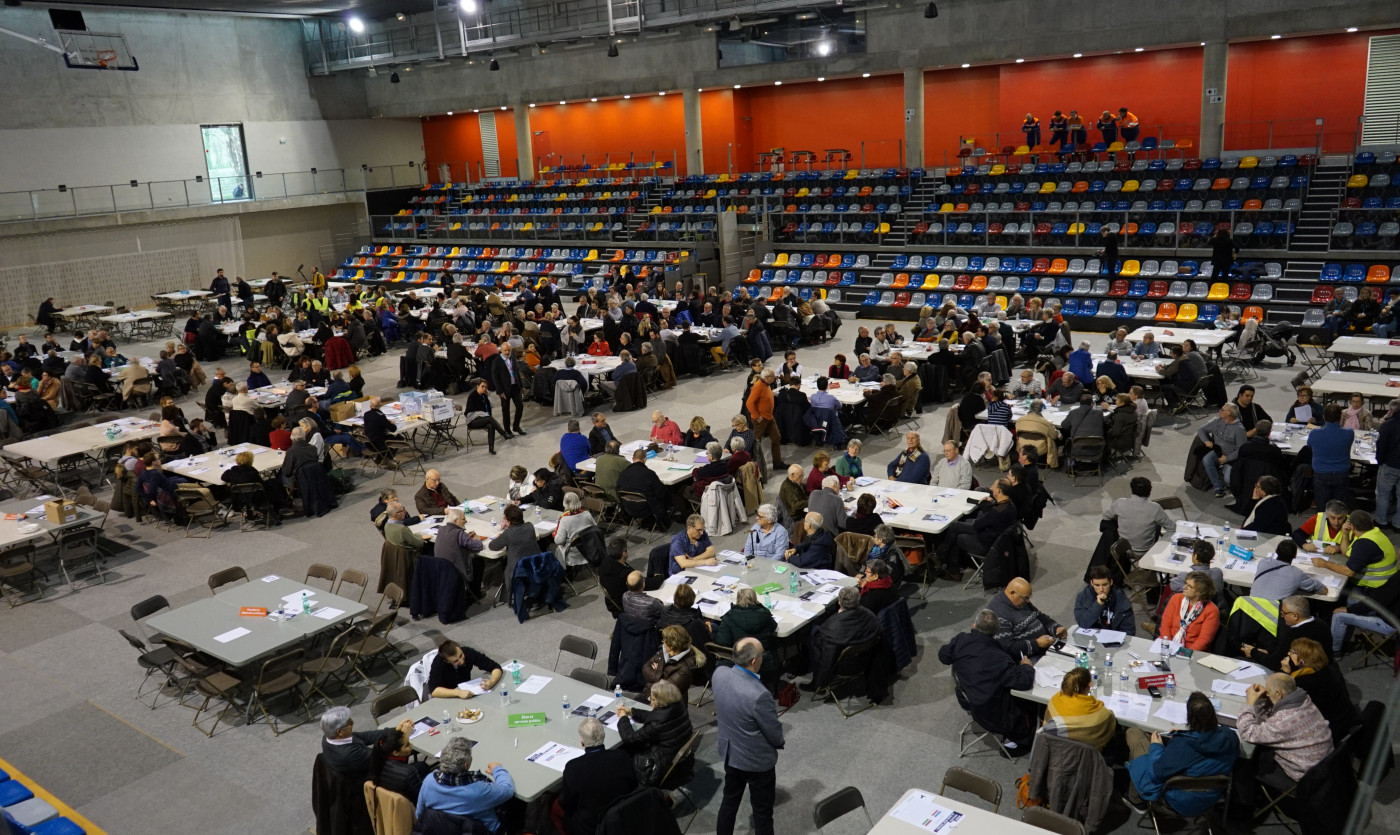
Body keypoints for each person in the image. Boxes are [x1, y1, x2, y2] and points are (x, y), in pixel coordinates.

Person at [1124, 692, 1239, 816]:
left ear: (1189, 718)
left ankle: (1136, 800)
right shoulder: (1230, 737)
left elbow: (1157, 772)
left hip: (1178, 799)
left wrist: (1156, 746)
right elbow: (1205, 740)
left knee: (1134, 734)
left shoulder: (1183, 745)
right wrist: (1185, 734)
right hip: (1210, 796)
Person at [713, 638, 785, 835]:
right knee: (762, 812)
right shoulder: (759, 694)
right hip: (757, 762)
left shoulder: (719, 674)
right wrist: (780, 742)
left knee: (729, 802)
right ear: (754, 661)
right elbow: (774, 733)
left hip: (730, 754)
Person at [938, 609, 1036, 753]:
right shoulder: (1000, 658)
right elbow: (1023, 682)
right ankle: (1016, 744)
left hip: (967, 697)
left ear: (974, 625)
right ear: (996, 631)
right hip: (992, 711)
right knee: (1029, 703)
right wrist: (1027, 667)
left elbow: (943, 656)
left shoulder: (961, 640)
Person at [1235, 673, 1334, 799]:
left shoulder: (1282, 721)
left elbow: (1247, 732)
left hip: (1308, 777)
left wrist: (1249, 703)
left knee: (1244, 761)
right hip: (1328, 764)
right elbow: (1270, 718)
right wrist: (1264, 699)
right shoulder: (1304, 700)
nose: (1267, 692)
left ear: (1278, 693)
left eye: (1268, 690)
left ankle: (1244, 803)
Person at [416, 737, 515, 832]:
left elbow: (419, 814)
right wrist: (497, 769)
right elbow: (507, 790)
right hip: (480, 830)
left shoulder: (429, 781)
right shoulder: (478, 789)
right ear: (466, 765)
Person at [615, 680, 692, 790]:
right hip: (677, 757)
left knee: (622, 750)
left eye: (652, 699)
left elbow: (630, 738)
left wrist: (623, 718)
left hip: (660, 765)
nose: (650, 701)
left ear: (660, 701)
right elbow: (654, 716)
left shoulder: (657, 724)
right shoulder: (678, 707)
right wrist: (632, 712)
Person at [1282, 637, 1360, 739]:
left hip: (1329, 730)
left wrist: (1285, 674)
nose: (1288, 654)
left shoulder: (1302, 682)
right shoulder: (1330, 668)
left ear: (1302, 661)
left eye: (1292, 652)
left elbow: (1284, 703)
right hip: (1345, 720)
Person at [1310, 509, 1398, 595]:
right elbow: (1346, 553)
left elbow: (1349, 571)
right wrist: (1345, 534)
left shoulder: (1364, 543)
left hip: (1374, 590)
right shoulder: (1372, 533)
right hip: (1389, 584)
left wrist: (1324, 564)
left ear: (1352, 526)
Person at [320, 706, 413, 781]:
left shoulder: (328, 737)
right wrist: (402, 736)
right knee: (419, 768)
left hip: (366, 768)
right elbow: (381, 759)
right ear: (339, 731)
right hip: (373, 779)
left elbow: (365, 736)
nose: (353, 724)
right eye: (350, 723)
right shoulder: (350, 753)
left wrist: (395, 730)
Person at [1043, 667, 1117, 751]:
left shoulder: (1054, 701)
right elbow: (1109, 724)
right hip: (1085, 759)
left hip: (1054, 753)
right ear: (1089, 685)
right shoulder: (1101, 714)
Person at [990, 577, 1066, 658]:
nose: (1028, 601)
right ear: (1012, 593)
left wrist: (1056, 628)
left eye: (1029, 597)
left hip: (1046, 644)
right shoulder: (997, 615)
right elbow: (1009, 649)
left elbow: (1040, 616)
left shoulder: (1021, 601)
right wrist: (1037, 644)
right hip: (1028, 657)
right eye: (1026, 598)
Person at [1103, 477, 1173, 556]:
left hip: (1123, 550)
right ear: (1149, 491)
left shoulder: (1120, 503)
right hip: (1146, 551)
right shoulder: (1155, 508)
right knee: (1157, 524)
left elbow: (1106, 517)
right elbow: (1172, 528)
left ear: (1132, 489)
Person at [641, 623, 706, 702]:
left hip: (669, 702)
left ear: (672, 645)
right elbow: (645, 668)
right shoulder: (664, 651)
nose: (663, 642)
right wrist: (661, 677)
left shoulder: (685, 667)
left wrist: (656, 671)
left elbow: (666, 688)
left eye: (665, 641)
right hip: (651, 694)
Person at [368, 728, 432, 805]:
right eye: (407, 745)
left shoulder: (378, 761)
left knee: (421, 766)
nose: (411, 745)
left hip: (389, 797)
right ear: (395, 753)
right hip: (410, 805)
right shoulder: (409, 772)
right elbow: (421, 798)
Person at [1159, 571, 1221, 651]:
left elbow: (1204, 640)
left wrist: (1185, 653)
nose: (1184, 587)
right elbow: (1165, 626)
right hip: (1168, 643)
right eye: (1186, 584)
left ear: (1200, 591)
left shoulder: (1211, 610)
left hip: (1192, 650)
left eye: (1190, 586)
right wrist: (1168, 646)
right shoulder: (1176, 599)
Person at [1308, 403, 1355, 510]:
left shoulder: (1315, 433)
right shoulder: (1349, 433)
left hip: (1321, 474)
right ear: (1341, 416)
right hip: (1341, 473)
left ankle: (1322, 524)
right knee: (1339, 507)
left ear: (1324, 417)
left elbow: (1310, 445)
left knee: (1321, 506)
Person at [1198, 403, 1247, 498]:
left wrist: (1227, 459)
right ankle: (1218, 487)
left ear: (1229, 413)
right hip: (1218, 452)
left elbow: (1241, 449)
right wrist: (1206, 441)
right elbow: (1201, 430)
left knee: (1228, 481)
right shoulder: (1217, 421)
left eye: (1222, 410)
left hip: (1231, 458)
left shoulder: (1239, 430)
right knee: (1207, 459)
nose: (1219, 411)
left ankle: (1226, 475)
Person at [1248, 540, 1325, 601]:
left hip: (1249, 611)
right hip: (1272, 616)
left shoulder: (1263, 562)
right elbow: (1323, 590)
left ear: (1276, 551)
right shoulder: (1297, 574)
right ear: (1295, 555)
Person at [426, 640, 502, 700]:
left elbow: (495, 667)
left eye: (461, 655)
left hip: (468, 693)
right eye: (456, 661)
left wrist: (492, 681)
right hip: (448, 696)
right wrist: (458, 693)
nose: (461, 661)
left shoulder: (468, 652)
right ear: (447, 661)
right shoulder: (438, 663)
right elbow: (434, 690)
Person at [744, 369, 787, 471]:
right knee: (756, 442)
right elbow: (749, 403)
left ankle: (777, 463)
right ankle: (749, 465)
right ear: (766, 378)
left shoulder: (766, 385)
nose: (774, 377)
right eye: (772, 376)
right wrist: (757, 416)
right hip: (761, 420)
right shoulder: (758, 387)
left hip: (769, 417)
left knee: (776, 438)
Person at [1074, 565, 1137, 634]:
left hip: (1114, 637)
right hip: (1091, 637)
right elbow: (1083, 623)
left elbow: (1129, 629)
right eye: (1097, 585)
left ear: (1111, 582)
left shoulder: (1121, 598)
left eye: (1104, 585)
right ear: (1092, 583)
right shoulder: (1084, 596)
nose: (1101, 589)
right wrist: (1098, 605)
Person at [618, 447, 672, 525]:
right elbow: (661, 492)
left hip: (628, 508)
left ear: (633, 459)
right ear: (644, 459)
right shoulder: (649, 474)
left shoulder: (623, 473)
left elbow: (618, 489)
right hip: (647, 508)